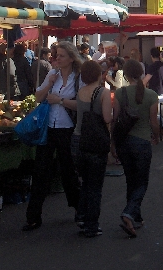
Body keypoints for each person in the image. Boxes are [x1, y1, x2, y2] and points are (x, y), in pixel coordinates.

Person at [23, 41, 83, 231]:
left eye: (61, 55)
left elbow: (82, 105)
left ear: (71, 58)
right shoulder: (52, 74)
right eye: (56, 55)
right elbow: (38, 97)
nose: (57, 58)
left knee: (69, 171)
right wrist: (48, 84)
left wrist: (61, 100)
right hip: (49, 127)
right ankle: (33, 216)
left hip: (67, 129)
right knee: (41, 171)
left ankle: (79, 209)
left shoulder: (78, 78)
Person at [115, 60, 159, 238]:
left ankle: (136, 216)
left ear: (125, 74)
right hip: (142, 141)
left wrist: (113, 143)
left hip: (124, 142)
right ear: (141, 73)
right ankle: (129, 212)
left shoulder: (120, 92)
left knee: (131, 180)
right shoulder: (151, 95)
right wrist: (157, 136)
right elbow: (154, 122)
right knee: (141, 182)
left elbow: (116, 119)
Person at [74, 60, 113, 237]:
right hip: (97, 142)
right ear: (99, 74)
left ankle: (81, 216)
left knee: (85, 182)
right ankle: (92, 224)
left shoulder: (80, 91)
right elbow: (106, 118)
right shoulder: (103, 92)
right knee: (96, 185)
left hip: (80, 140)